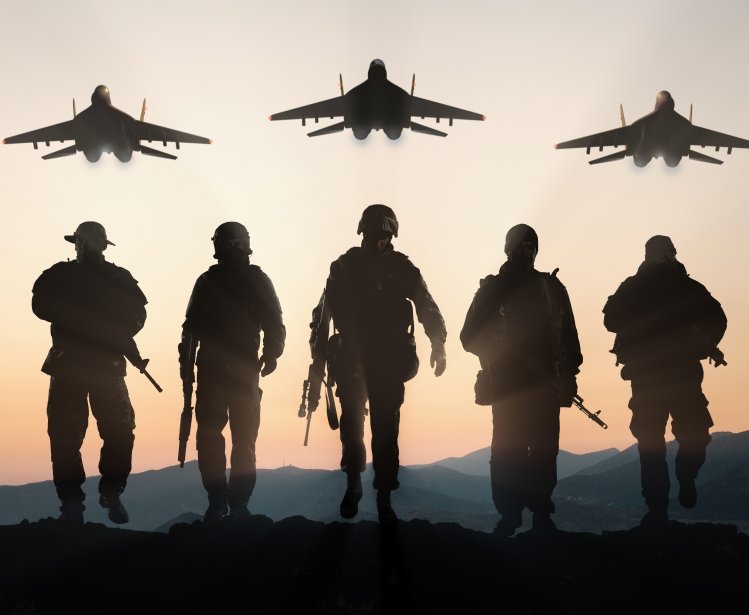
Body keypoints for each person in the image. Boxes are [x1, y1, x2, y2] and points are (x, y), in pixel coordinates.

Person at [309, 204, 447, 526]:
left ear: (392, 236)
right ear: (363, 232)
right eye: (373, 234)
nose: (377, 241)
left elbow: (427, 306)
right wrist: (317, 354)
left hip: (388, 359)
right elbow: (323, 313)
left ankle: (384, 495)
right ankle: (353, 485)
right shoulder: (343, 266)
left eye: (383, 236)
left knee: (386, 431)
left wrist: (438, 343)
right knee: (352, 426)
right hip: (352, 359)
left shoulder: (402, 269)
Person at [460, 224, 582, 537]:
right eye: (519, 245)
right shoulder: (492, 288)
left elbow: (568, 334)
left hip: (546, 385)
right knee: (506, 452)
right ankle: (510, 515)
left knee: (544, 451)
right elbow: (468, 336)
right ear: (507, 248)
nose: (525, 251)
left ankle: (541, 512)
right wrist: (500, 353)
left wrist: (569, 375)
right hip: (507, 385)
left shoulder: (551, 287)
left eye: (531, 245)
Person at [603, 235, 727, 528]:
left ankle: (686, 476)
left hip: (682, 373)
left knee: (695, 435)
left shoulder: (688, 288)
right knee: (651, 445)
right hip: (648, 377)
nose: (664, 258)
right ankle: (657, 509)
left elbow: (718, 319)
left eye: (666, 254)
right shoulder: (633, 287)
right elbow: (610, 320)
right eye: (659, 254)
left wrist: (704, 343)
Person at [32, 222, 149, 525]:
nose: (85, 248)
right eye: (82, 243)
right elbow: (40, 305)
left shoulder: (119, 278)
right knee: (65, 436)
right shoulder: (59, 275)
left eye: (90, 243)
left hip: (106, 367)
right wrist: (77, 317)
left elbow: (139, 314)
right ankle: (71, 504)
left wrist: (115, 331)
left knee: (120, 431)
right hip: (69, 366)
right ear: (76, 245)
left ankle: (111, 491)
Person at [179, 221, 285, 522]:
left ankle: (233, 502)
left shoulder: (250, 280)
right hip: (219, 370)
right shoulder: (209, 282)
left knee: (239, 439)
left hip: (238, 370)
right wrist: (186, 368)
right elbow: (190, 330)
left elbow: (274, 322)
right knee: (219, 438)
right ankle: (223, 501)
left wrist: (272, 353)